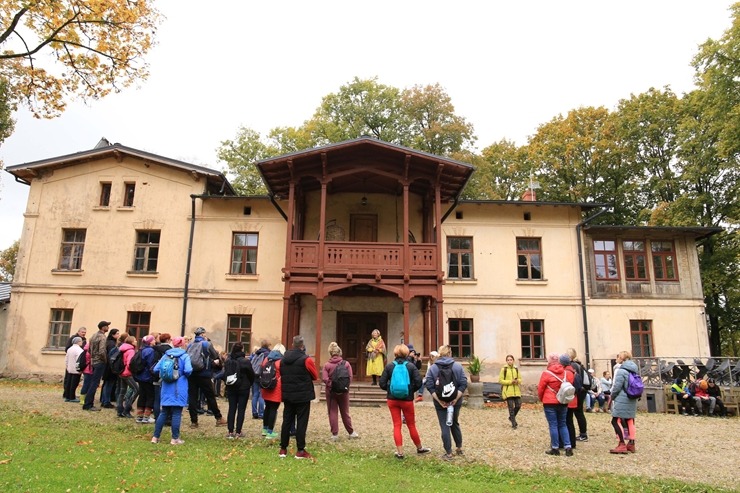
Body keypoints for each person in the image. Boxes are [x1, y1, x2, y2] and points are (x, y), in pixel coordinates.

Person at [379, 343, 431, 459]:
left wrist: (390, 389)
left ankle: (400, 452)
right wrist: (410, 390)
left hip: (392, 399)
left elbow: (382, 383)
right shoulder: (411, 366)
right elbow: (419, 383)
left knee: (397, 425)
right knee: (411, 425)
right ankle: (419, 447)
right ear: (407, 353)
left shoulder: (389, 366)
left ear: (395, 353)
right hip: (407, 399)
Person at [279, 335, 319, 460]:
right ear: (302, 346)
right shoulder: (306, 360)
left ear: (292, 345)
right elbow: (315, 375)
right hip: (302, 395)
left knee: (287, 421)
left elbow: (282, 373)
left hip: (288, 393)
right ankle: (300, 450)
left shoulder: (283, 359)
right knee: (302, 422)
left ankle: (283, 449)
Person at [426, 345, 467, 460]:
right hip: (456, 400)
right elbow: (463, 383)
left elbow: (429, 385)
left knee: (444, 425)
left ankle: (448, 453)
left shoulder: (433, 368)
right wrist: (455, 399)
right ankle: (459, 447)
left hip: (440, 401)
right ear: (450, 353)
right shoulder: (457, 367)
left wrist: (439, 400)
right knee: (454, 422)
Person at [151, 337, 192, 445]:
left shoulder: (166, 355)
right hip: (180, 386)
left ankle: (155, 437)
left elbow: (156, 369)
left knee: (164, 412)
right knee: (177, 413)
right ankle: (175, 438)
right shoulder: (185, 356)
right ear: (182, 344)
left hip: (166, 386)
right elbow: (188, 370)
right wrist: (183, 375)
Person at [187, 327, 227, 428]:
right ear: (202, 334)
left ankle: (194, 421)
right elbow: (215, 355)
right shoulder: (206, 344)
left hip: (192, 374)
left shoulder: (190, 345)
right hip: (204, 374)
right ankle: (218, 418)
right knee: (210, 396)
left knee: (192, 397)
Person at [537, 353, 573, 456]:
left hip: (549, 402)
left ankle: (555, 447)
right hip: (562, 401)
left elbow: (541, 388)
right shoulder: (566, 373)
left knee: (553, 425)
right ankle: (568, 446)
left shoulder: (546, 373)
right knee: (563, 424)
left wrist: (541, 398)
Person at [321, 342, 359, 440]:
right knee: (345, 412)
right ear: (339, 352)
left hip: (331, 392)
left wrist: (332, 385)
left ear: (330, 353)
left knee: (332, 411)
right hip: (344, 392)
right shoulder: (346, 364)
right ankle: (351, 432)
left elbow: (325, 379)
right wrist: (345, 386)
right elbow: (350, 377)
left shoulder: (327, 365)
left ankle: (335, 434)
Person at [609, 350, 638, 453]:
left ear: (622, 359)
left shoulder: (621, 370)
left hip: (622, 398)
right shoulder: (634, 369)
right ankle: (631, 443)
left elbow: (617, 387)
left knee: (615, 420)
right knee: (630, 420)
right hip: (632, 397)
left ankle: (621, 444)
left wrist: (612, 397)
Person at [224, 343, 255, 439]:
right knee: (241, 409)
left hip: (231, 387)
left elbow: (225, 373)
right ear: (242, 350)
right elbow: (251, 374)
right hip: (243, 387)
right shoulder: (245, 361)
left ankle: (230, 431)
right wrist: (249, 383)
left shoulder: (228, 360)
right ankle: (238, 431)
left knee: (231, 408)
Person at [83, 321, 110, 411]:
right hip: (100, 362)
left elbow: (89, 350)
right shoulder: (102, 337)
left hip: (93, 361)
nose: (108, 327)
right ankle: (88, 404)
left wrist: (93, 357)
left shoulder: (93, 336)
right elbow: (102, 351)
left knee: (92, 382)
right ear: (103, 327)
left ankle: (87, 402)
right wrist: (105, 360)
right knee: (94, 383)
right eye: (107, 326)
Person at [261, 343, 285, 440]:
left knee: (267, 408)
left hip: (265, 385)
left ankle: (265, 429)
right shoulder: (281, 361)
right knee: (273, 409)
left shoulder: (266, 359)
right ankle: (270, 432)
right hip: (276, 387)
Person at [566, 348, 588, 442]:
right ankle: (583, 433)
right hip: (582, 390)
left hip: (578, 391)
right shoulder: (579, 364)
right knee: (579, 413)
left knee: (577, 413)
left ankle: (582, 434)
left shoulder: (573, 365)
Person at [134, 335, 157, 423]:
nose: (155, 341)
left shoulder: (141, 349)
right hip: (147, 376)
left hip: (140, 376)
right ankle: (146, 417)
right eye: (153, 340)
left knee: (142, 395)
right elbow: (151, 364)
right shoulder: (150, 351)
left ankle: (139, 416)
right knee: (150, 396)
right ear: (150, 342)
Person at [116, 335, 139, 419]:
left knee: (122, 391)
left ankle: (119, 409)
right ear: (132, 342)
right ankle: (127, 409)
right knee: (136, 390)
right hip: (127, 373)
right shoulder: (131, 350)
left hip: (121, 372)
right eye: (135, 340)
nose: (136, 341)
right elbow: (130, 363)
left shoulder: (122, 348)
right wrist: (134, 370)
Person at [560, 354, 579, 449]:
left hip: (567, 400)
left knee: (565, 422)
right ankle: (572, 442)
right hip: (573, 399)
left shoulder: (566, 372)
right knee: (569, 421)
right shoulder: (573, 370)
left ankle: (567, 442)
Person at [152, 333, 172, 420]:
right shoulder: (170, 350)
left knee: (157, 398)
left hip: (156, 374)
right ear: (167, 340)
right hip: (166, 375)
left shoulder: (155, 348)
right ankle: (167, 417)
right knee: (166, 398)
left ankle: (157, 416)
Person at [62, 327, 86, 400]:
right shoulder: (79, 349)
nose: (84, 333)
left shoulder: (71, 349)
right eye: (82, 332)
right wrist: (80, 368)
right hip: (75, 368)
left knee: (69, 381)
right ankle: (70, 396)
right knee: (73, 382)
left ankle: (68, 395)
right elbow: (79, 359)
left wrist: (67, 365)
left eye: (84, 332)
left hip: (70, 367)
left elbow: (66, 358)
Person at [499, 354, 522, 428]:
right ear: (506, 361)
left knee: (518, 405)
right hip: (508, 391)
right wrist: (510, 382)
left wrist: (517, 381)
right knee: (511, 407)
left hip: (516, 390)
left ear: (513, 360)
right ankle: (513, 423)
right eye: (508, 360)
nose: (509, 361)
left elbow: (520, 379)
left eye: (511, 360)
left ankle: (511, 418)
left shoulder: (516, 369)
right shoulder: (504, 369)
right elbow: (501, 380)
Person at [250, 340, 271, 419]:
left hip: (255, 375)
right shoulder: (267, 354)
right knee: (261, 395)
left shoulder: (257, 353)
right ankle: (261, 413)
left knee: (255, 394)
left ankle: (254, 412)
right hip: (262, 375)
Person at [100, 328, 120, 409]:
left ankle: (104, 400)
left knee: (107, 384)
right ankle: (106, 401)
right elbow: (112, 356)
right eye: (117, 333)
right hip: (110, 367)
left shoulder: (109, 342)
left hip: (107, 366)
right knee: (108, 384)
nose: (118, 335)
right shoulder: (111, 344)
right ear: (113, 334)